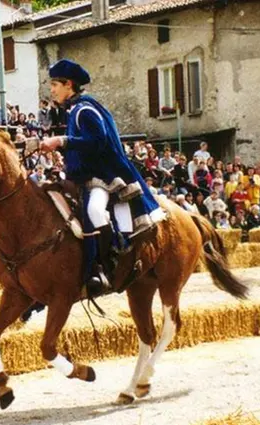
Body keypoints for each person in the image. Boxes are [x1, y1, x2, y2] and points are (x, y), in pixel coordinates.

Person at [39, 59, 165, 296]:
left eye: (55, 84)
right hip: (82, 176)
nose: (52, 90)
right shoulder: (74, 110)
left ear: (69, 85)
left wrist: (61, 141)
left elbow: (98, 141)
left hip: (101, 178)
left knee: (95, 210)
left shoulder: (84, 110)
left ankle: (107, 262)